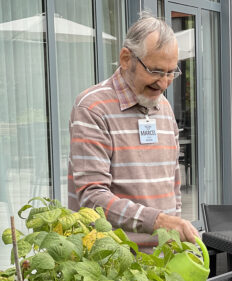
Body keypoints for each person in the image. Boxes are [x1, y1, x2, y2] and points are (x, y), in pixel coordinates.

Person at [67, 12, 199, 250]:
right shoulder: (92, 107)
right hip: (114, 266)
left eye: (171, 72)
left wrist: (176, 236)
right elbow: (92, 197)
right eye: (156, 71)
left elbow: (173, 184)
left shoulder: (165, 108)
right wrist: (158, 221)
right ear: (126, 58)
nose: (164, 83)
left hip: (163, 261)